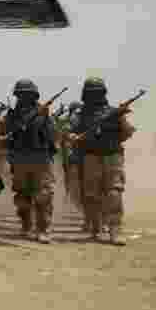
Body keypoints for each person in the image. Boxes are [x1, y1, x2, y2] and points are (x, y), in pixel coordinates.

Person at [67, 77, 135, 246]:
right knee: (91, 195)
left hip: (112, 157)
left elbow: (126, 133)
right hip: (90, 157)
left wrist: (121, 117)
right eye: (91, 93)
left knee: (114, 193)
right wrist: (73, 137)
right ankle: (96, 228)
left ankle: (115, 230)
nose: (94, 96)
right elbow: (70, 132)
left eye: (97, 93)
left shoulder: (114, 112)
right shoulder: (80, 115)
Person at [0, 80, 57, 243]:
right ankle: (26, 225)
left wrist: (45, 119)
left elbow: (51, 137)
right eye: (21, 95)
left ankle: (43, 229)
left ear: (33, 96)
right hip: (19, 160)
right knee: (22, 196)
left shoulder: (43, 114)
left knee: (43, 196)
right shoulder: (11, 116)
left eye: (27, 94)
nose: (24, 98)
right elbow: (2, 134)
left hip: (41, 159)